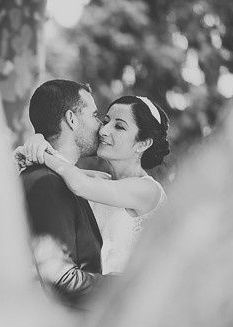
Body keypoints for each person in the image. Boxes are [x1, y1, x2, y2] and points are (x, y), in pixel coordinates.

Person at [18, 95, 170, 274]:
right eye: (105, 121)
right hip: (87, 291)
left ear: (143, 143)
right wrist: (37, 141)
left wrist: (42, 152)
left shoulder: (148, 191)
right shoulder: (97, 180)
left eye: (119, 126)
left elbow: (79, 184)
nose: (104, 130)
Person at [20, 79, 110, 308]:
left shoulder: (59, 178)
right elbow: (59, 277)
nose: (101, 126)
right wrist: (123, 289)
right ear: (72, 119)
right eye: (94, 115)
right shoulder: (47, 183)